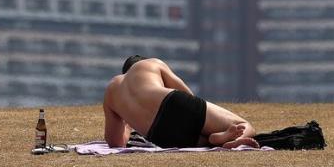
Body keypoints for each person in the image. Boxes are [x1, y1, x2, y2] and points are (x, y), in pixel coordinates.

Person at [102, 55, 258, 149]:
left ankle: (212, 140)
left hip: (158, 134)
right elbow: (187, 95)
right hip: (173, 102)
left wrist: (128, 122)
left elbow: (116, 144)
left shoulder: (111, 91)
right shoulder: (150, 63)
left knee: (192, 138)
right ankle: (234, 139)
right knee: (243, 124)